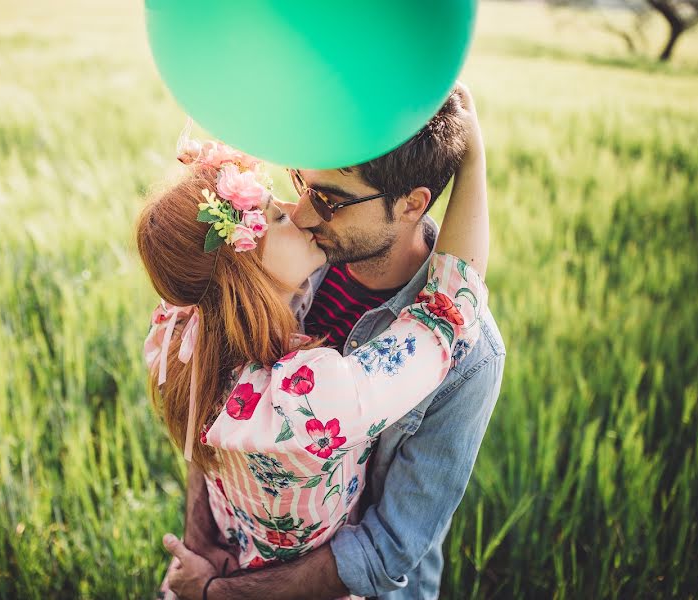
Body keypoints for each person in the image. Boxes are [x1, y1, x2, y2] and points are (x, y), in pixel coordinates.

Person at [155, 84, 504, 600]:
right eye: (300, 180)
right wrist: (201, 550)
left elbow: (387, 553)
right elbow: (443, 319)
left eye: (330, 199)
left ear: (413, 204)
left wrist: (215, 590)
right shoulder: (285, 348)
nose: (300, 212)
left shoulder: (470, 362)